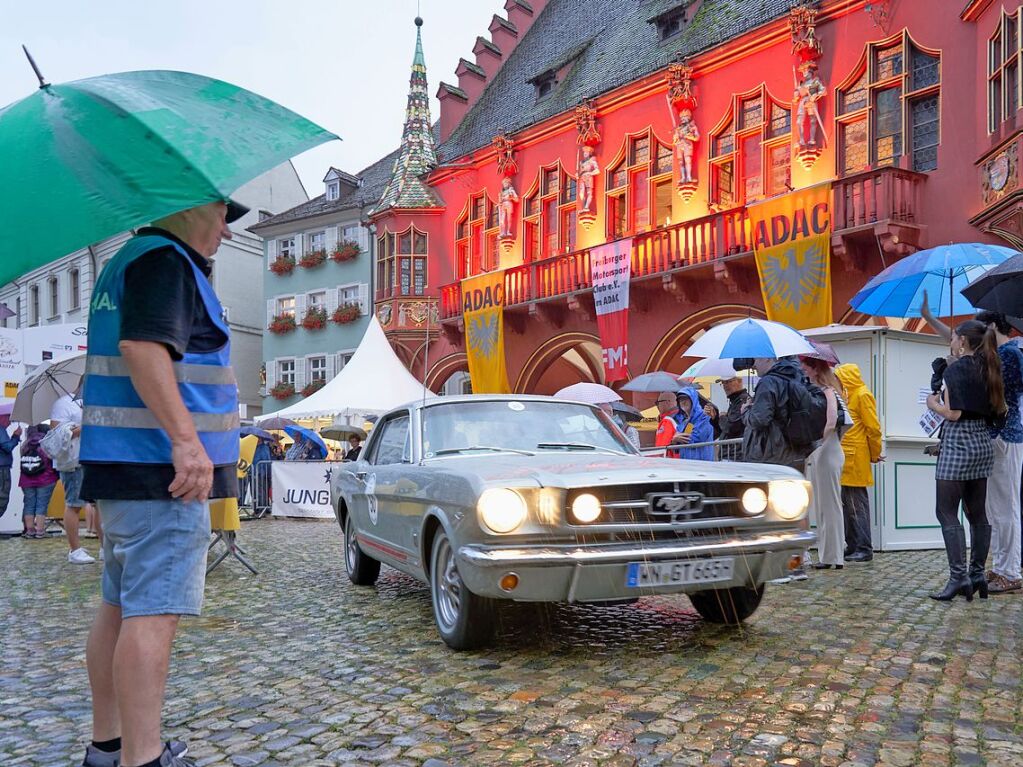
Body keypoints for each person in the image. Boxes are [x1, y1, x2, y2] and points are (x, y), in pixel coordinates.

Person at [78, 200, 244, 767]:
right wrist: (186, 442)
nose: (226, 229)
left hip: (127, 467)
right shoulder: (166, 260)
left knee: (118, 609)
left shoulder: (127, 260)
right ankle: (142, 760)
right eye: (223, 214)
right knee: (152, 615)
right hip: (162, 473)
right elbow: (143, 348)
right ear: (192, 206)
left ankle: (108, 748)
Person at [925, 320, 1006, 602]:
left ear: (961, 341)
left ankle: (959, 577)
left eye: (954, 337)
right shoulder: (990, 367)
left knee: (946, 512)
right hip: (981, 441)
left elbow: (954, 413)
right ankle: (977, 575)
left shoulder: (957, 368)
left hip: (959, 441)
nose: (951, 341)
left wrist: (932, 404)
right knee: (977, 514)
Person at [974, 312, 1023, 594]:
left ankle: (1010, 571)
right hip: (1001, 436)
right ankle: (1003, 566)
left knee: (1006, 508)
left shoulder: (1009, 355)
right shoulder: (1003, 354)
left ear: (993, 327)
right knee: (997, 508)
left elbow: (1003, 397)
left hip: (1006, 435)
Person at [800, 357, 846, 569]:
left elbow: (830, 421)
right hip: (827, 448)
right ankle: (830, 556)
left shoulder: (826, 391)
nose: (802, 369)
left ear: (814, 369)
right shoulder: (828, 390)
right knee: (827, 505)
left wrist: (815, 442)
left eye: (805, 366)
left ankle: (833, 556)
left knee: (829, 505)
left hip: (825, 448)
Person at [835, 363, 883, 564]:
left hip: (856, 456)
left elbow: (873, 428)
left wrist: (875, 454)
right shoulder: (848, 395)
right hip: (848, 455)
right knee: (848, 504)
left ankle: (863, 547)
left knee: (856, 504)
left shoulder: (862, 395)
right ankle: (853, 545)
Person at [51, 386, 100, 563]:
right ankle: (75, 550)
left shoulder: (91, 403)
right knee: (74, 503)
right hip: (73, 461)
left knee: (99, 504)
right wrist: (83, 427)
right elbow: (56, 433)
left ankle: (105, 547)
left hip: (93, 458)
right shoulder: (63, 403)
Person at [742, 357, 816, 472]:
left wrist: (746, 411)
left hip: (770, 455)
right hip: (796, 451)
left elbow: (759, 420)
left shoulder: (768, 382)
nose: (753, 365)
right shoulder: (796, 377)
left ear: (767, 358)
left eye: (756, 359)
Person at [19, 424, 58, 540]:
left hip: (26, 479)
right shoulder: (46, 444)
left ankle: (30, 531)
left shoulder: (25, 445)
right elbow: (53, 460)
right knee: (41, 504)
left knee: (29, 504)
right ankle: (40, 531)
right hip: (45, 479)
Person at [672, 387, 714, 460]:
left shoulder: (704, 417)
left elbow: (698, 437)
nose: (683, 402)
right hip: (687, 466)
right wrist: (674, 441)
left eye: (686, 399)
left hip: (702, 465)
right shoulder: (682, 422)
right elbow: (676, 446)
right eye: (680, 400)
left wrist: (677, 439)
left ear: (693, 400)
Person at [718, 372, 752, 461]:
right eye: (723, 383)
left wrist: (722, 417)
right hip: (731, 453)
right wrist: (714, 418)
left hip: (735, 454)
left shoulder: (742, 400)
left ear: (739, 381)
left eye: (729, 382)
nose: (725, 386)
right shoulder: (735, 401)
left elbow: (731, 427)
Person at [0, 422, 22, 525]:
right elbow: (7, 447)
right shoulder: (0, 429)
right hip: (2, 469)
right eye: (9, 418)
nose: (9, 421)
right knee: (2, 498)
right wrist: (16, 436)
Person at [654, 390, 682, 458]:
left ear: (667, 402)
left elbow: (661, 448)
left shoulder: (667, 421)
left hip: (670, 463)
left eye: (658, 403)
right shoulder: (683, 416)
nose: (657, 406)